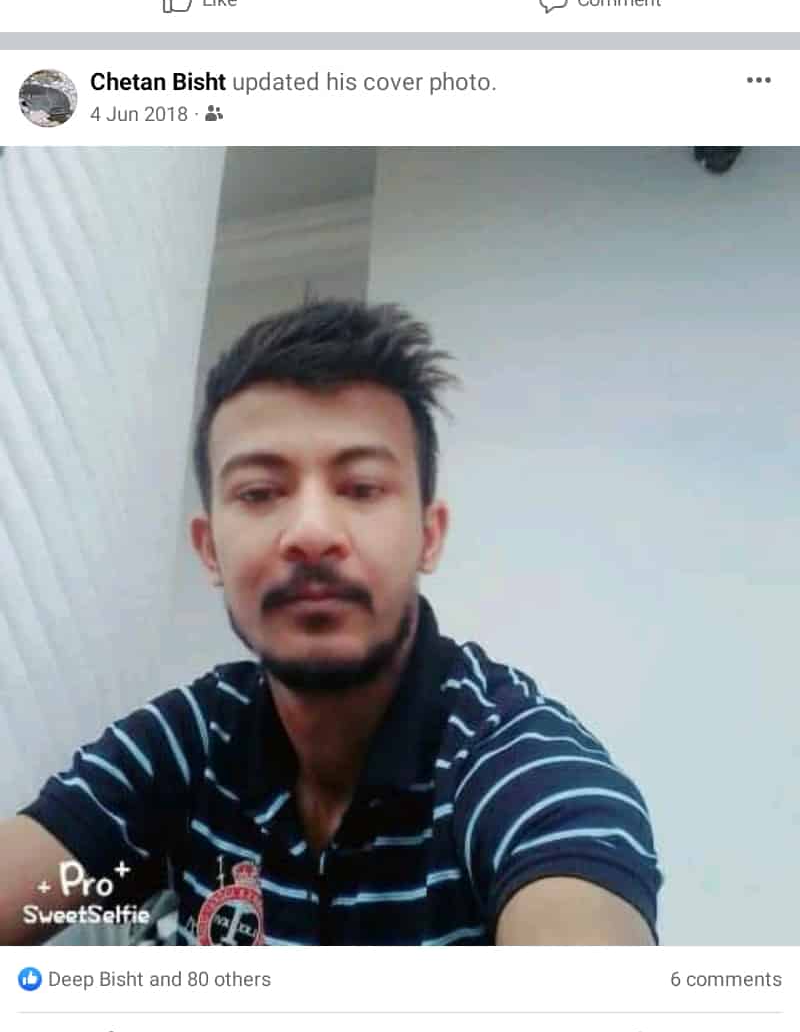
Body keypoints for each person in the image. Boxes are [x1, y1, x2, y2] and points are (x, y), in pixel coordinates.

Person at [0, 299, 663, 946]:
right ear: (209, 551)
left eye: (362, 488)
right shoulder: (188, 744)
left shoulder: (519, 765)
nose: (311, 533)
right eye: (260, 492)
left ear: (429, 536)